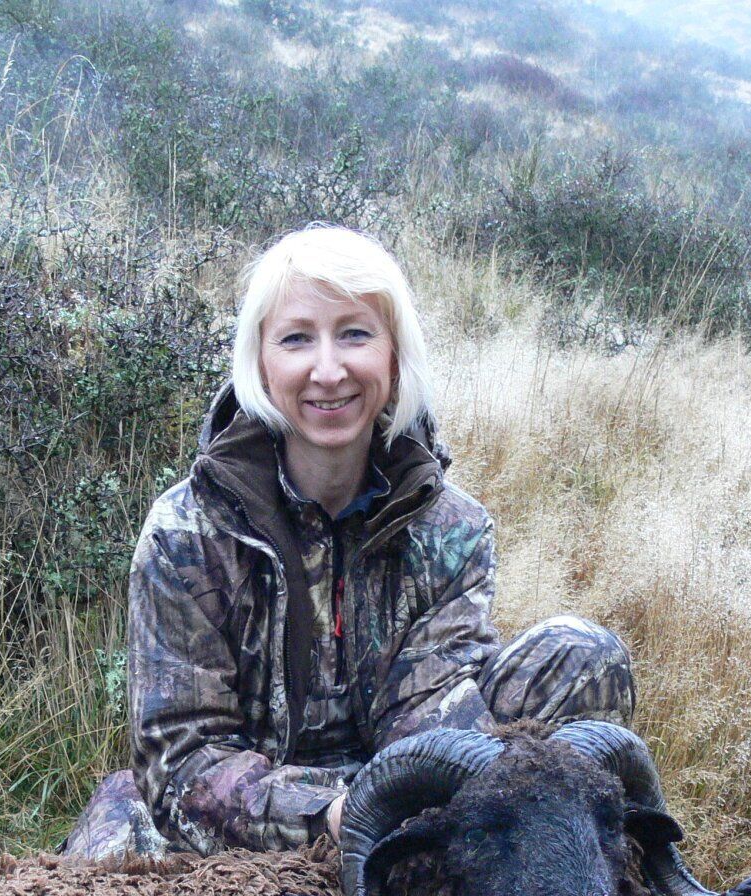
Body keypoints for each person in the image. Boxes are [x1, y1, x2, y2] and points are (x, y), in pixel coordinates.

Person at [62, 225, 634, 861]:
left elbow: (425, 715)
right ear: (260, 362)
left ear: (393, 357)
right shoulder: (184, 534)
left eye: (356, 334)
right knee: (112, 850)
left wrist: (420, 794)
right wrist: (330, 812)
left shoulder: (454, 528)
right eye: (297, 338)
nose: (328, 371)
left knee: (585, 656)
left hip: (397, 790)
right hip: (244, 820)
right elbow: (182, 761)